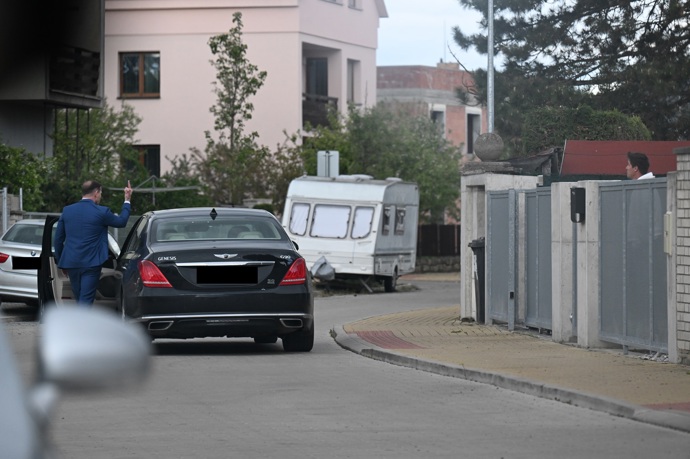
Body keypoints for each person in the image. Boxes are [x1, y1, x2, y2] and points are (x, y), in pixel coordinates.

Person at [54, 180, 133, 305]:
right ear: (96, 193)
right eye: (100, 193)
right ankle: (83, 323)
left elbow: (58, 240)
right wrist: (127, 200)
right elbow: (121, 222)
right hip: (91, 263)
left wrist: (61, 262)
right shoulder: (102, 212)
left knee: (79, 298)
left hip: (72, 263)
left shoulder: (67, 211)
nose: (100, 196)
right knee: (85, 300)